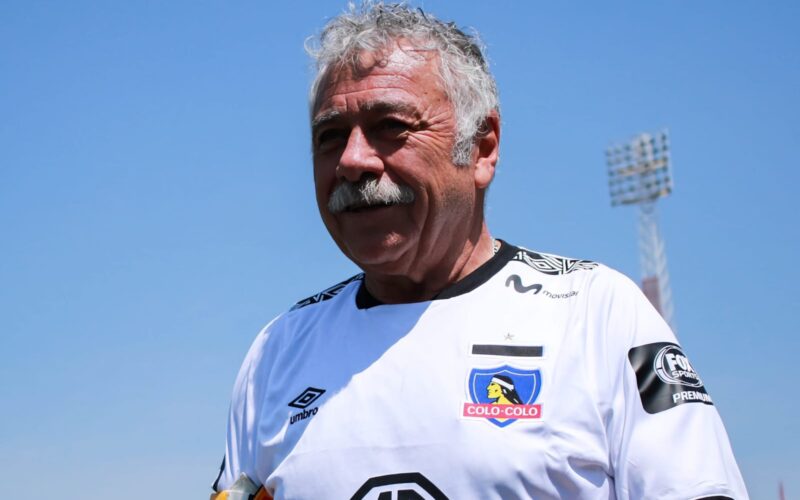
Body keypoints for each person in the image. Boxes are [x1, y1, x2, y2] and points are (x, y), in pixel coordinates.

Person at [212, 3, 748, 499]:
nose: (353, 160)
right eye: (330, 136)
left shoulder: (594, 313)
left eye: (390, 127)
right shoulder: (277, 351)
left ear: (482, 147)